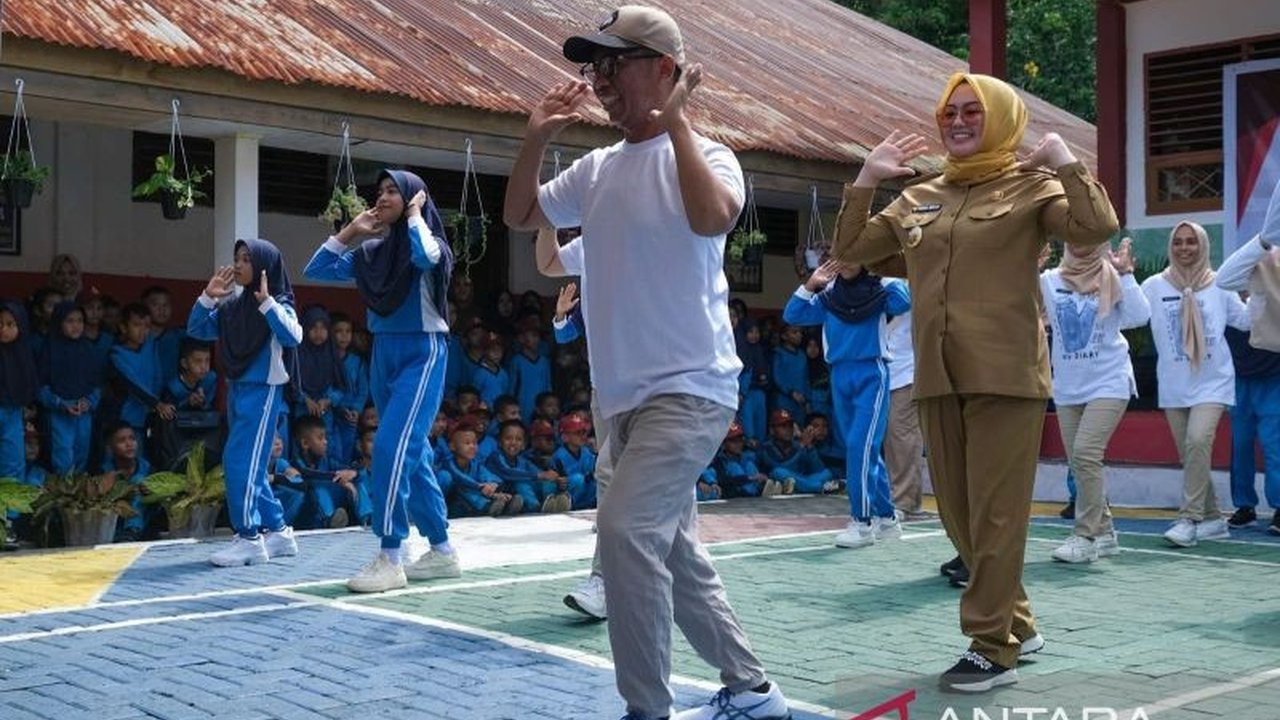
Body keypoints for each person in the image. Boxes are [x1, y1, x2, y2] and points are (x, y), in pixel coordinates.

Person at [503, 7, 790, 718]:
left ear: (665, 68)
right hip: (620, 397)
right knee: (674, 553)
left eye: (614, 63)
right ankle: (753, 692)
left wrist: (678, 122)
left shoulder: (711, 154)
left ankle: (646, 708)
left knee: (625, 532)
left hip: (690, 390)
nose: (598, 80)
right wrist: (538, 135)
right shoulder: (596, 168)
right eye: (592, 66)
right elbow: (520, 217)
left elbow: (713, 216)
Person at [832, 72, 1119, 692]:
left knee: (994, 515)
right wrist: (868, 178)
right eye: (949, 112)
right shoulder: (920, 196)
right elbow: (850, 248)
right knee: (960, 518)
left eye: (972, 111)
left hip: (1005, 375)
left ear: (1001, 118)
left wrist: (1066, 162)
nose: (957, 121)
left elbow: (1096, 229)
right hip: (937, 374)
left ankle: (992, 646)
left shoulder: (1033, 186)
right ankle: (1020, 622)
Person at [304, 169, 460, 593]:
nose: (384, 196)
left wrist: (415, 215)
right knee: (416, 453)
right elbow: (317, 267)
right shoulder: (371, 254)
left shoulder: (429, 245)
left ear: (413, 199)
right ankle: (443, 549)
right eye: (381, 191)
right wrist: (353, 228)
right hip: (383, 353)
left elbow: (428, 256)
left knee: (390, 447)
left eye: (395, 191)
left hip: (422, 352)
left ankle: (391, 553)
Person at [186, 239, 303, 566]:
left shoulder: (278, 303)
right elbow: (197, 329)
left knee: (239, 462)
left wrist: (267, 304)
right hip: (237, 390)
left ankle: (249, 537)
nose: (238, 265)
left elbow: (294, 336)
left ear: (265, 267)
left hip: (263, 393)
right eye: (236, 258)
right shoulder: (233, 307)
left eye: (247, 260)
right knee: (248, 466)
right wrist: (208, 297)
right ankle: (278, 532)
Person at [782, 258, 911, 548]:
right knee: (863, 451)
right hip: (839, 377)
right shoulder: (829, 297)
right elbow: (793, 314)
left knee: (858, 447)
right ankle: (888, 519)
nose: (848, 262)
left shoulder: (877, 292)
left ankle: (862, 523)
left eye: (856, 255)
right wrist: (811, 284)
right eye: (843, 255)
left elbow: (903, 302)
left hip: (871, 373)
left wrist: (882, 272)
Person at [1040, 238, 1150, 562]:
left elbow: (1139, 316)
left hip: (1109, 380)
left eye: (1092, 241)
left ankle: (1084, 535)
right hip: (1068, 386)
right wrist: (1026, 265)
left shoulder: (1111, 277)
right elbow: (1016, 301)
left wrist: (1126, 274)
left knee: (1086, 453)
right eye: (1077, 240)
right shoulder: (1049, 281)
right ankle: (1105, 532)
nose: (1083, 247)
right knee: (1078, 462)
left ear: (1102, 247)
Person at [1143, 222, 1251, 547]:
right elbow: (1131, 315)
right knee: (1190, 454)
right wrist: (1118, 276)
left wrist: (1265, 292)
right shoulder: (1153, 286)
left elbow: (1245, 321)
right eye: (1178, 242)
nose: (1185, 248)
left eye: (1192, 242)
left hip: (1213, 381)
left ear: (1203, 246)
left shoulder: (1221, 284)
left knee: (1197, 442)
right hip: (1174, 384)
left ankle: (1189, 518)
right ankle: (1215, 519)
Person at [1216, 183, 1280, 535]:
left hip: (1274, 377)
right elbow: (1227, 278)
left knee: (1275, 446)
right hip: (1241, 381)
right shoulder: (1255, 269)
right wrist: (1263, 242)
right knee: (1240, 446)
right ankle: (1244, 505)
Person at [38, 302, 102, 475]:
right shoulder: (49, 348)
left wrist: (89, 402)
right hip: (59, 413)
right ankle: (62, 497)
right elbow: (40, 386)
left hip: (84, 412)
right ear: (59, 323)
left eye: (80, 321)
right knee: (62, 456)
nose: (76, 326)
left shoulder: (88, 349)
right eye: (70, 321)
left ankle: (77, 497)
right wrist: (60, 404)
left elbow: (97, 383)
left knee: (82, 453)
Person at [0, 301, 38, 483]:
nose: (3, 330)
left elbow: (29, 389)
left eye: (10, 324)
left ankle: (11, 511)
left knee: (13, 461)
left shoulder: (23, 354)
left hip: (14, 413)